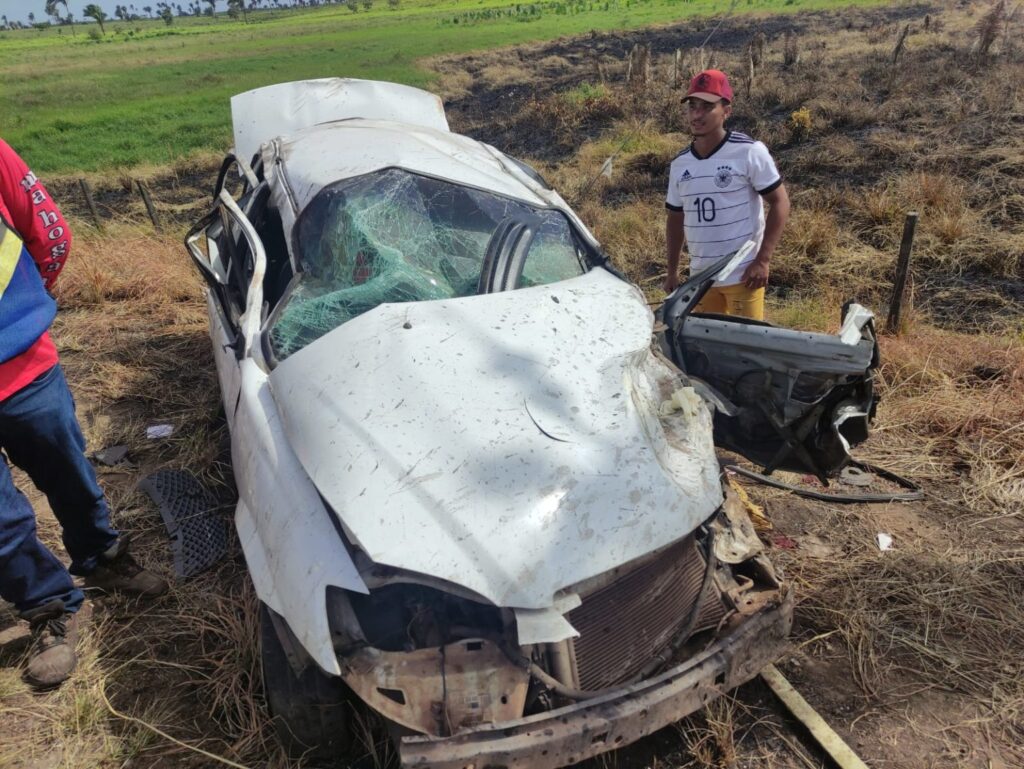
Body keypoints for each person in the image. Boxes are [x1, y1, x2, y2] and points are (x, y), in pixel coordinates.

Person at [0, 138, 167, 689]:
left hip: (24, 366)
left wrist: (24, 310)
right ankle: (53, 607)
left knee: (68, 470)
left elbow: (49, 232)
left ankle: (103, 557)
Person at [663, 69, 790, 320]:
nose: (697, 115)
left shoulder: (749, 152)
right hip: (700, 279)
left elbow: (780, 202)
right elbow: (675, 218)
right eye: (692, 106)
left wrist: (762, 260)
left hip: (743, 276)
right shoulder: (680, 164)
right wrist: (672, 272)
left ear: (726, 111)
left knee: (746, 349)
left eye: (707, 107)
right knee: (706, 348)